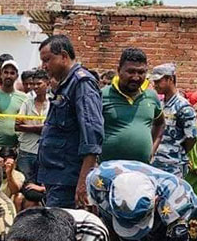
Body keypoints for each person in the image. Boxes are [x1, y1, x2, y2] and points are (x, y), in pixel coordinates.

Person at [36, 35, 104, 208]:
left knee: (61, 230)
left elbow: (92, 137)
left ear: (64, 56)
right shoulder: (65, 85)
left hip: (69, 179)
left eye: (47, 60)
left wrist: (82, 183)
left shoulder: (82, 83)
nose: (44, 66)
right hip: (57, 176)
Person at [100, 48, 164, 164]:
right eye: (130, 72)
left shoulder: (151, 96)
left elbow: (160, 123)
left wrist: (152, 150)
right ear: (119, 71)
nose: (136, 77)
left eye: (141, 72)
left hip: (142, 170)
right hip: (108, 170)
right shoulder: (103, 95)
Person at [150, 62, 197, 181]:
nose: (155, 85)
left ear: (170, 79)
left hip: (173, 166)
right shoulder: (160, 104)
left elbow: (191, 138)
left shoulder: (183, 107)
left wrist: (177, 152)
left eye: (158, 81)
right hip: (155, 164)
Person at [0, 59, 27, 154]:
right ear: (0, 74)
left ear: (16, 76)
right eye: (5, 72)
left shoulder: (24, 97)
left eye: (12, 73)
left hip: (16, 148)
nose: (8, 76)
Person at [15, 68, 49, 182]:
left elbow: (50, 129)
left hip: (45, 151)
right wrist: (40, 128)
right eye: (34, 84)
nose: (35, 87)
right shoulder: (27, 102)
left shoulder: (52, 104)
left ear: (47, 83)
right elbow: (17, 126)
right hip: (26, 150)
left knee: (41, 186)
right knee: (25, 184)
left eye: (39, 84)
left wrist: (28, 125)